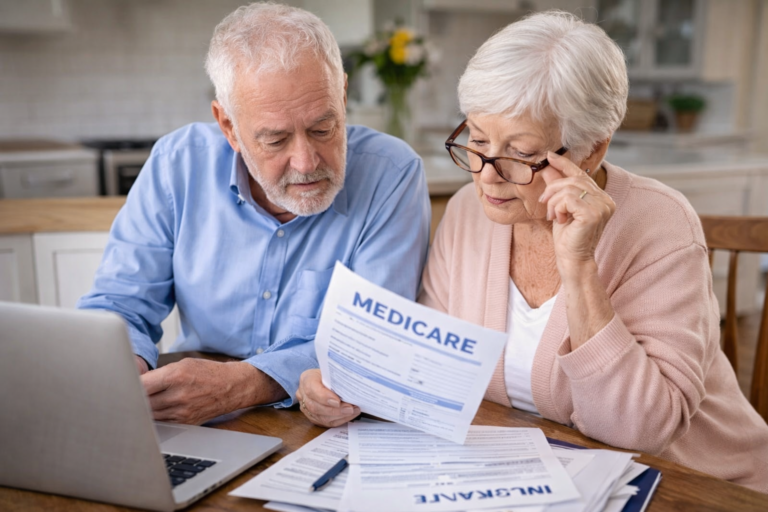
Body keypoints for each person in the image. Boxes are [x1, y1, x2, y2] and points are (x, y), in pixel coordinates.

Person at [296, 11, 768, 491]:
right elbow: (431, 368)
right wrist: (344, 388)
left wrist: (580, 267)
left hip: (692, 486)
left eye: (520, 154)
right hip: (530, 475)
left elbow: (640, 431)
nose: (486, 175)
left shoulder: (661, 224)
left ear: (591, 151)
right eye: (477, 140)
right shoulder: (467, 211)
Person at [77, 3, 429, 425]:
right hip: (190, 416)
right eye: (276, 140)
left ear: (344, 96)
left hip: (320, 422)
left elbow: (372, 342)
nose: (305, 162)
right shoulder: (177, 163)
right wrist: (124, 369)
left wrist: (244, 383)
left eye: (323, 128)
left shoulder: (392, 173)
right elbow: (120, 303)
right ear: (228, 126)